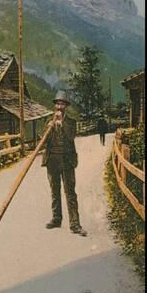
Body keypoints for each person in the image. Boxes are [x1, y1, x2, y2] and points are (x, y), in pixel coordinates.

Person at [42, 90, 87, 236]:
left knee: (70, 192)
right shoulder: (48, 120)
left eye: (62, 104)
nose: (59, 106)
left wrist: (61, 124)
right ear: (55, 105)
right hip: (52, 160)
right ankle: (56, 218)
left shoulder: (71, 122)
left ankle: (75, 224)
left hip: (67, 160)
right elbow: (43, 139)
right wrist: (51, 125)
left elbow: (71, 136)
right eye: (57, 103)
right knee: (55, 191)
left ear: (66, 106)